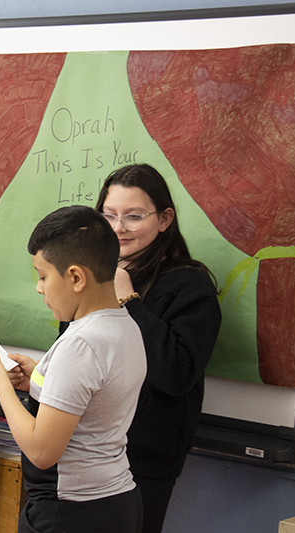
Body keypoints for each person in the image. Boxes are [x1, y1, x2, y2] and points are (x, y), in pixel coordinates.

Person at [0, 205, 147, 533]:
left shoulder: (80, 343)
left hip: (70, 512)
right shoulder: (126, 325)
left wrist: (2, 387)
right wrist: (40, 375)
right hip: (117, 501)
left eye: (42, 276)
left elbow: (42, 451)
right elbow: (95, 390)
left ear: (75, 277)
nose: (39, 287)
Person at [95, 163, 222, 533]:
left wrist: (129, 301)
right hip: (84, 449)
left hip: (144, 460)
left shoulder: (190, 286)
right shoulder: (93, 277)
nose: (118, 228)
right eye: (109, 215)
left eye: (133, 217)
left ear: (164, 219)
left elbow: (176, 372)